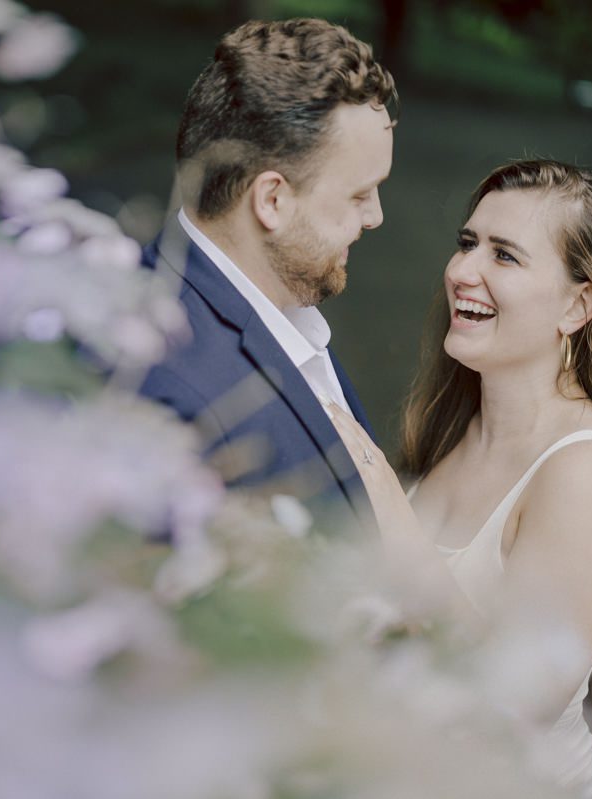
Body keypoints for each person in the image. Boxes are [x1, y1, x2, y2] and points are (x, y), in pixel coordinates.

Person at [326, 159, 592, 798]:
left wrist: (392, 521)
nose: (462, 272)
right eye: (467, 243)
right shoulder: (454, 425)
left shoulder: (583, 473)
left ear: (579, 304)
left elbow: (513, 710)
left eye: (505, 256)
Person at [139, 18, 396, 530]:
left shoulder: (277, 302)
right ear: (272, 200)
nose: (376, 217)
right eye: (359, 194)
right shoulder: (173, 399)